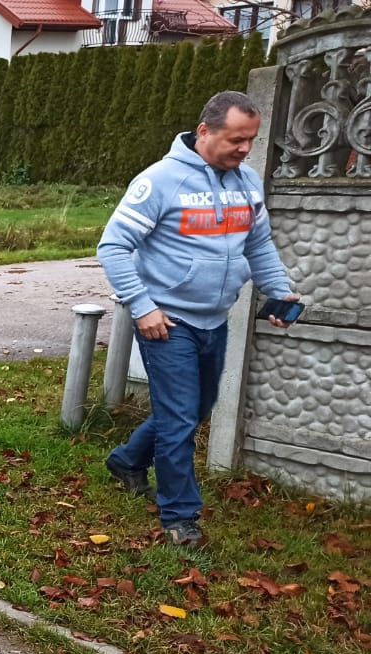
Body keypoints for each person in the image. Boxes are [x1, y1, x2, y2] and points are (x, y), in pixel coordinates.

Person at [96, 91, 301, 546]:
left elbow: (258, 244)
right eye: (236, 139)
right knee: (179, 421)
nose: (245, 149)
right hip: (167, 323)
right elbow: (112, 247)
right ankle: (180, 517)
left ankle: (128, 460)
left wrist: (280, 291)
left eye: (251, 139)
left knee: (196, 409)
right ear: (205, 131)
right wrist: (143, 308)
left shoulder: (247, 182)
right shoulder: (159, 181)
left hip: (215, 319)